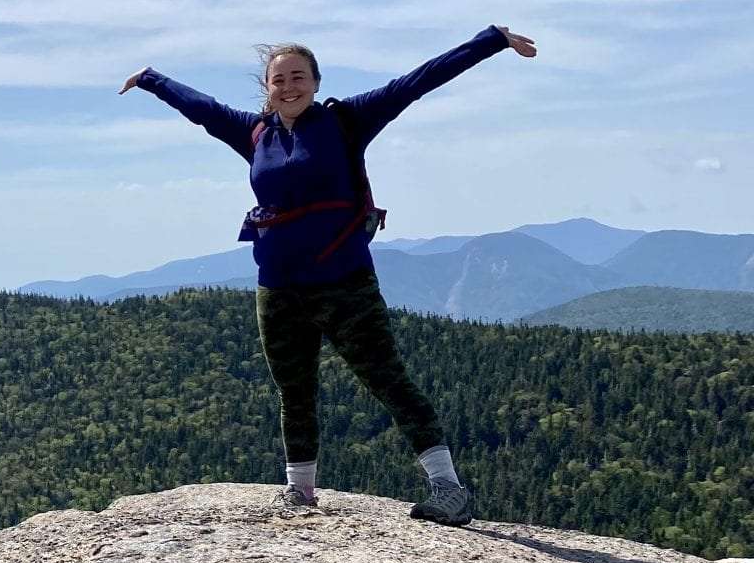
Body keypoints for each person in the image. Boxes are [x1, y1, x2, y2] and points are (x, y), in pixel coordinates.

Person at [118, 26, 537, 524]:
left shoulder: (347, 121)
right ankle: (300, 491)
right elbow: (202, 108)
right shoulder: (255, 133)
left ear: (316, 82)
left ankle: (449, 488)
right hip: (277, 288)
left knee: (389, 381)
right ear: (267, 88)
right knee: (294, 390)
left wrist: (492, 41)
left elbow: (416, 82)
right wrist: (150, 79)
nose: (288, 86)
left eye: (298, 76)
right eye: (279, 79)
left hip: (346, 282)